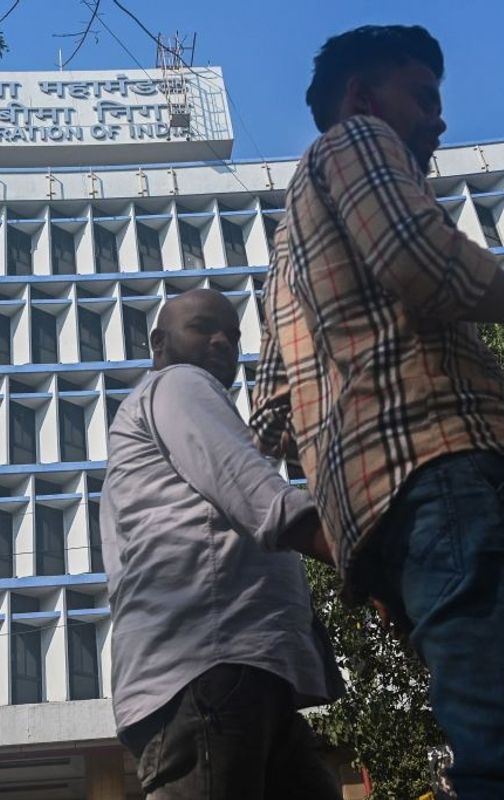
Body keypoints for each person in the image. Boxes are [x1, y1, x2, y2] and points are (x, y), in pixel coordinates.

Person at [250, 25, 504, 798]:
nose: (439, 119)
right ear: (361, 96)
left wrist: (378, 542)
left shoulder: (287, 251)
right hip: (452, 480)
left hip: (391, 527)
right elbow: (418, 257)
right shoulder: (355, 140)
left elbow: (272, 420)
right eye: (423, 96)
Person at [101, 288, 344, 799]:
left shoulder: (172, 411)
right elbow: (256, 493)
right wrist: (366, 558)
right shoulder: (176, 385)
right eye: (204, 327)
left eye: (232, 335)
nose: (223, 341)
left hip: (237, 674)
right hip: (210, 672)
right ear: (159, 344)